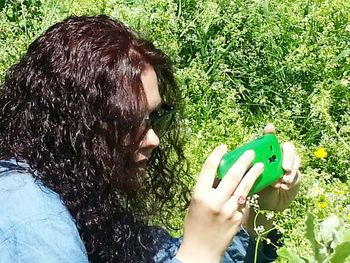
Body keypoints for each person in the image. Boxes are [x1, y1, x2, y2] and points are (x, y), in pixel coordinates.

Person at [0, 15, 301, 262]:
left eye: (155, 117)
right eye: (130, 123)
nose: (153, 139)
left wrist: (252, 217)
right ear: (74, 126)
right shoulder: (35, 227)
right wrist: (198, 254)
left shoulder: (73, 181)